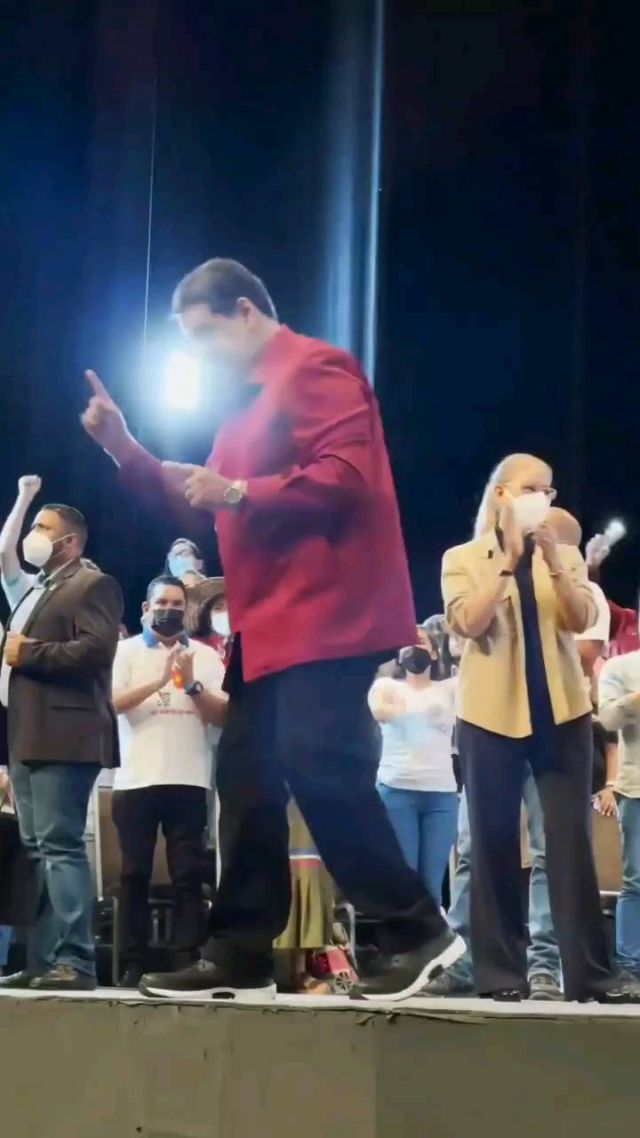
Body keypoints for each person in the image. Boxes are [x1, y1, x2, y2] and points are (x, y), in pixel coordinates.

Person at [80, 256, 464, 1002]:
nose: (199, 353)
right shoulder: (243, 412)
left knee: (319, 758)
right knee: (246, 780)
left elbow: (348, 475)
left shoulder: (317, 369)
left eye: (204, 334)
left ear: (246, 312)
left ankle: (416, 931)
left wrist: (238, 490)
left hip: (325, 612)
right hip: (267, 625)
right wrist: (124, 449)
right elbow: (202, 505)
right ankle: (239, 949)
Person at [441, 452, 639, 1002]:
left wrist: (553, 560)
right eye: (532, 489)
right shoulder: (464, 558)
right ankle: (500, 974)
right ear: (502, 493)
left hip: (563, 712)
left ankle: (592, 976)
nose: (544, 499)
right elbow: (468, 622)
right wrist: (507, 562)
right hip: (489, 715)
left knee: (569, 842)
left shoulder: (565, 554)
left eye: (549, 491)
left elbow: (580, 618)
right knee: (492, 842)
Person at [0, 501, 122, 991]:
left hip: (66, 734)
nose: (33, 534)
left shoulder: (93, 584)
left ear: (68, 541)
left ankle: (76, 960)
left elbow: (97, 648)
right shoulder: (40, 589)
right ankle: (45, 960)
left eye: (42, 527)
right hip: (28, 735)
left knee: (59, 845)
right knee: (37, 850)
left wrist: (28, 652)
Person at [111, 575, 227, 987]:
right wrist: (160, 679)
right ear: (146, 609)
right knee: (133, 875)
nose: (170, 610)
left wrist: (191, 683)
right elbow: (113, 703)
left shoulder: (205, 655)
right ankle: (133, 962)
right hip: (135, 780)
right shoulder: (124, 651)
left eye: (178, 604)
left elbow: (222, 715)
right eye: (162, 603)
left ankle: (185, 960)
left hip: (189, 779)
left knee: (187, 875)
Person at [369, 624, 459, 904]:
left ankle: (431, 931)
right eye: (408, 643)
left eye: (421, 642)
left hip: (441, 796)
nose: (414, 648)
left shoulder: (449, 688)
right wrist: (417, 709)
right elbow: (379, 711)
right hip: (397, 791)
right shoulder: (386, 686)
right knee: (404, 879)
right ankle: (405, 932)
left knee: (431, 884)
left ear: (434, 653)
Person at [598, 646, 640, 977]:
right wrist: (636, 699)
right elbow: (608, 719)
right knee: (637, 880)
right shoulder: (621, 667)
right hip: (637, 787)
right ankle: (630, 966)